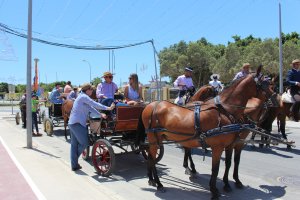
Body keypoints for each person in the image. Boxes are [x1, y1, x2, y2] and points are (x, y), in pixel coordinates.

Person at [68, 83, 115, 171]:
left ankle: (74, 165)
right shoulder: (84, 97)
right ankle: (74, 161)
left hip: (73, 123)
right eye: (91, 90)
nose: (92, 91)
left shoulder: (81, 96)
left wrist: (100, 114)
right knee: (84, 143)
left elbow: (91, 108)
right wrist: (108, 108)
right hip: (77, 124)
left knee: (74, 145)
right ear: (88, 89)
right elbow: (94, 104)